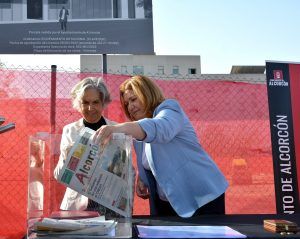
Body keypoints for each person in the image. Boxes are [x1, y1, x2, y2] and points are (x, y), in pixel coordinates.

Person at [94, 75, 229, 218]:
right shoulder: (138, 133)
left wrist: (119, 128)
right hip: (169, 203)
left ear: (147, 94)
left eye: (133, 99)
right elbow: (152, 160)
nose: (130, 106)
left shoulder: (170, 109)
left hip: (203, 196)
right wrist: (143, 178)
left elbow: (160, 129)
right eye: (127, 104)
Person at [54, 77, 133, 218]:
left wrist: (126, 206)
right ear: (78, 104)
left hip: (110, 204)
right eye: (85, 102)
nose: (90, 108)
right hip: (78, 206)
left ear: (104, 103)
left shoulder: (118, 130)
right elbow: (59, 175)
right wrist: (67, 156)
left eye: (95, 102)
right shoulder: (70, 130)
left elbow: (128, 172)